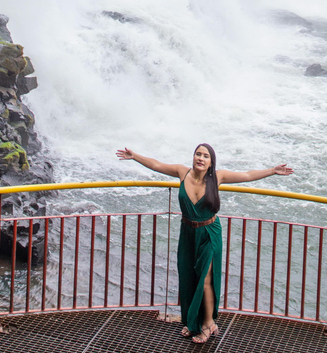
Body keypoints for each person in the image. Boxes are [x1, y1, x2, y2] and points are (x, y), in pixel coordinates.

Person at [116, 144, 294, 343]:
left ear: (211, 161)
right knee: (189, 277)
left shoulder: (217, 177)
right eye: (198, 154)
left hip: (209, 233)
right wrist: (134, 156)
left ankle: (209, 324)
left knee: (206, 280)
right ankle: (193, 323)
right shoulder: (182, 173)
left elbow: (246, 175)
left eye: (205, 156)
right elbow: (157, 165)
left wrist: (272, 171)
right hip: (188, 233)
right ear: (193, 157)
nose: (201, 158)